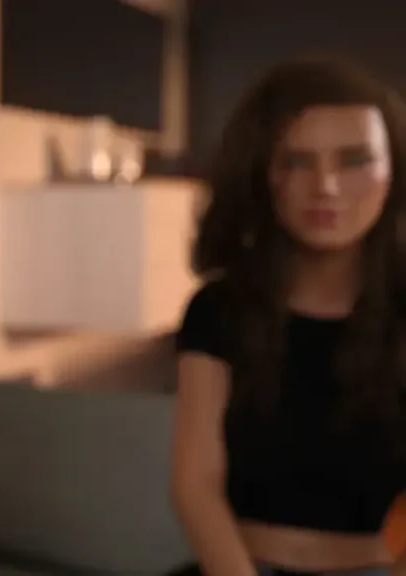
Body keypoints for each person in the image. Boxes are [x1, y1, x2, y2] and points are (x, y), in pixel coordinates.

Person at [170, 56, 406, 576]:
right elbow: (195, 486)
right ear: (262, 173)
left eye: (354, 160)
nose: (326, 186)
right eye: (297, 161)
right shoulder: (218, 310)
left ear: (393, 170)